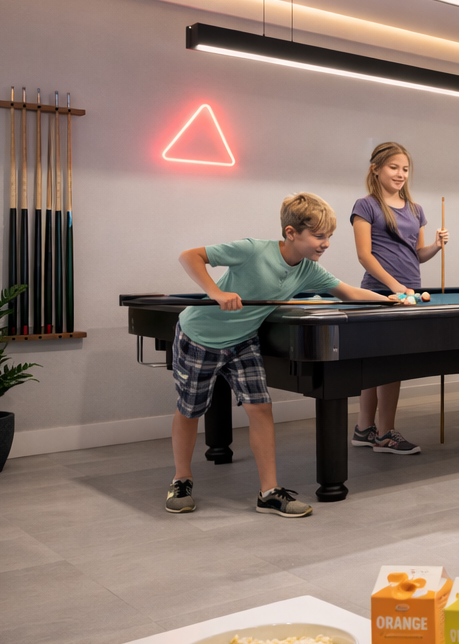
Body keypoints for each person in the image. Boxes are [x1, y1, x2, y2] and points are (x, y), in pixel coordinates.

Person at [166, 193, 397, 517]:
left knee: (260, 408)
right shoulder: (252, 250)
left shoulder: (309, 271)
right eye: (319, 236)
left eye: (329, 236)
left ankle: (269, 492)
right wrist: (216, 292)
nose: (326, 243)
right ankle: (181, 479)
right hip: (200, 336)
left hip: (243, 341)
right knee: (191, 410)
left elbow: (350, 292)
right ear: (292, 233)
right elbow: (189, 256)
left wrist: (394, 299)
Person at [350, 142, 449, 455]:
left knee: (384, 362)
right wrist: (395, 287)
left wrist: (435, 246)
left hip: (408, 292)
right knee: (385, 363)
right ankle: (383, 434)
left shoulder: (416, 210)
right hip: (378, 293)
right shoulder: (365, 206)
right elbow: (364, 256)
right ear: (376, 169)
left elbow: (416, 255)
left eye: (405, 169)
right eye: (393, 167)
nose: (400, 174)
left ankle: (365, 430)